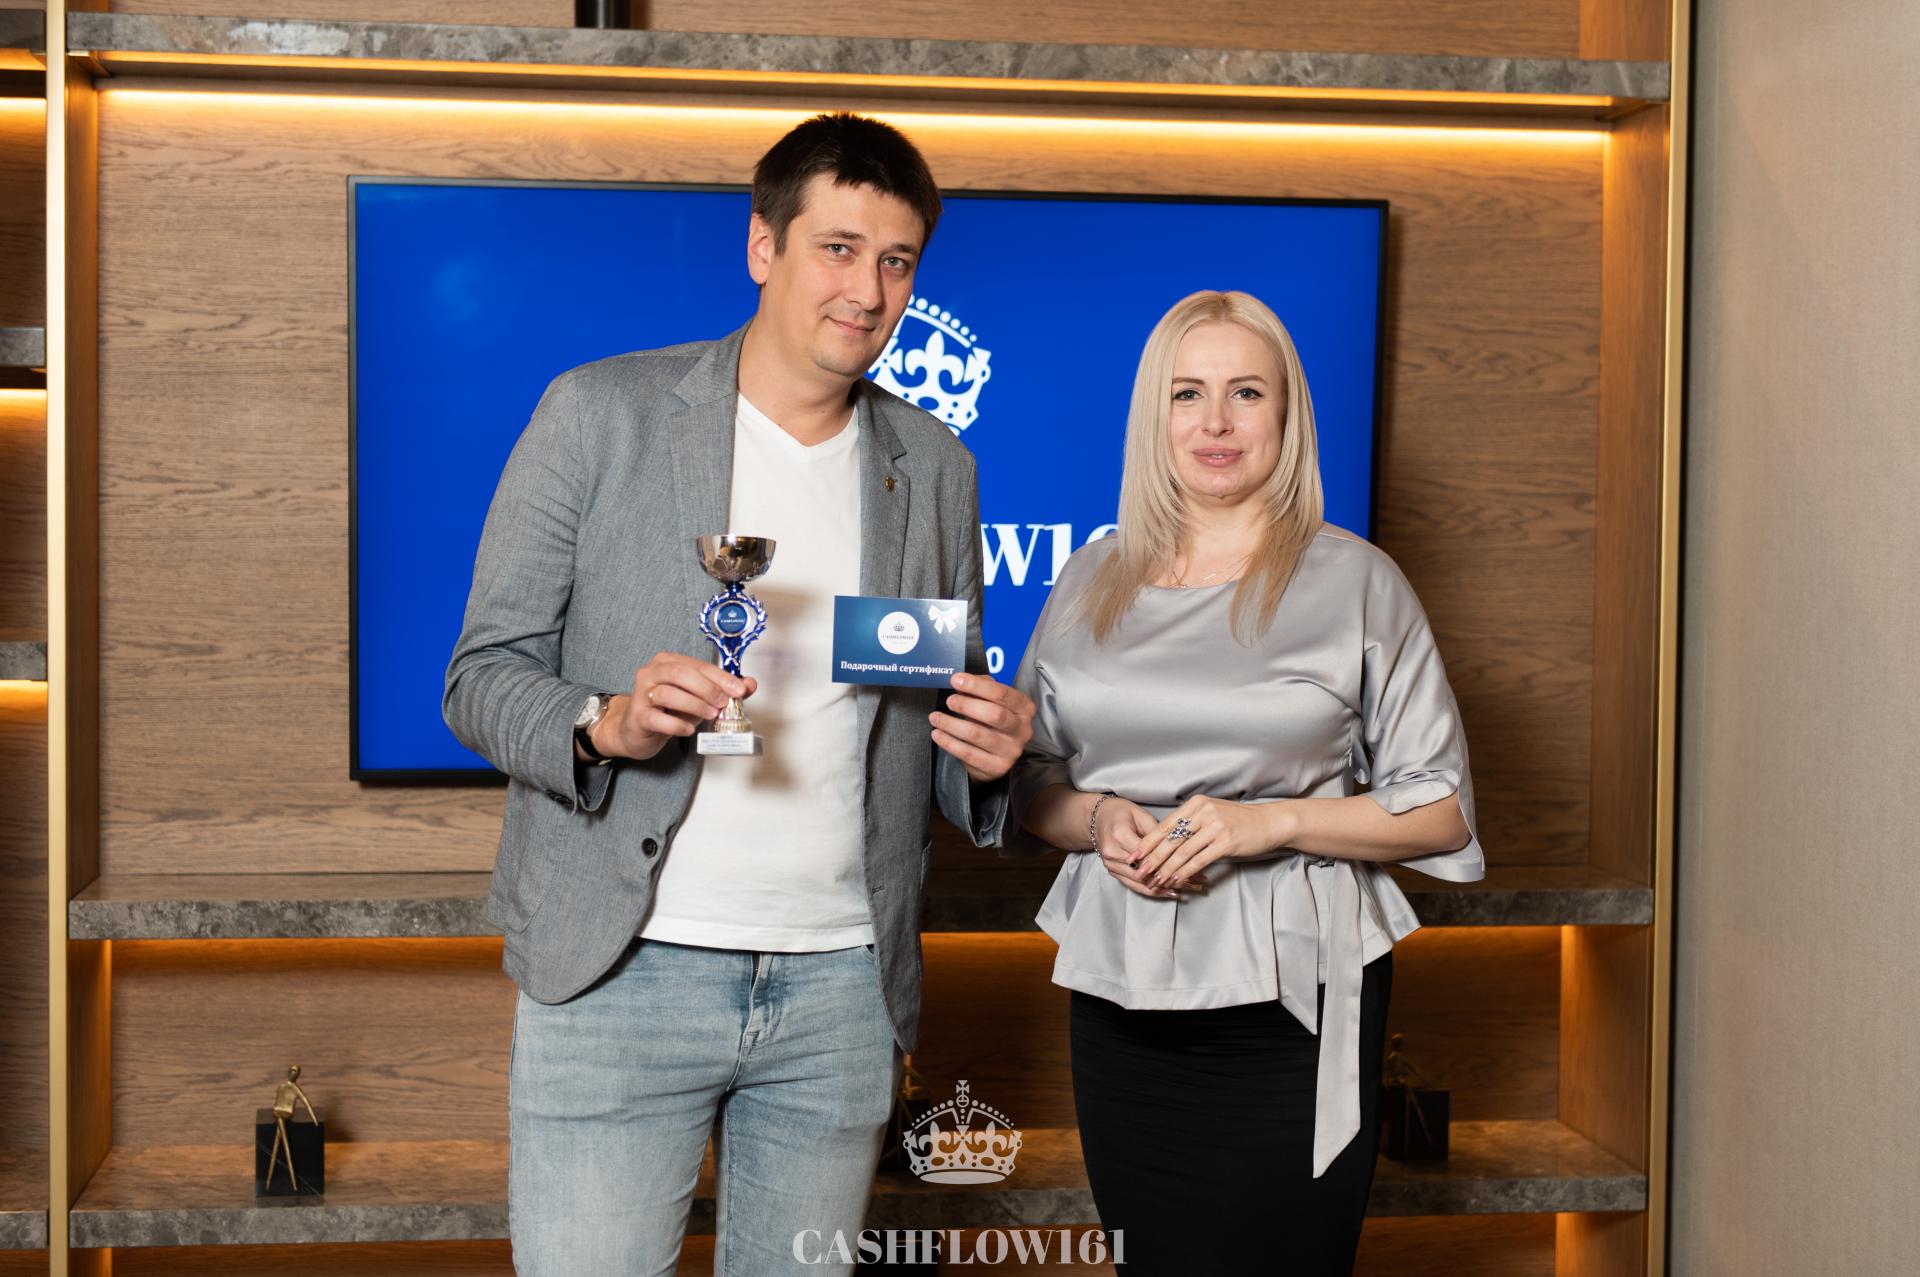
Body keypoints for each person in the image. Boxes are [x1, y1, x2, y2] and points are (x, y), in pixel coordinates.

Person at [443, 113, 1035, 1276]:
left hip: (840, 988)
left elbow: (932, 731)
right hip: (622, 967)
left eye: (897, 260)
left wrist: (996, 752)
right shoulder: (599, 413)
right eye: (838, 248)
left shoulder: (937, 467)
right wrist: (603, 723)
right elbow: (481, 677)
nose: (867, 290)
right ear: (763, 246)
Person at [1007, 290, 1484, 1274]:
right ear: (1155, 416)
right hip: (1121, 997)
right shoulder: (1089, 578)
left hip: (1296, 1001)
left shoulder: (1358, 580)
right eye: (1187, 393)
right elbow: (1031, 783)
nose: (1215, 422)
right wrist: (1099, 819)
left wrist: (1265, 823)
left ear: (1286, 413)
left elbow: (1441, 808)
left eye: (1245, 392)